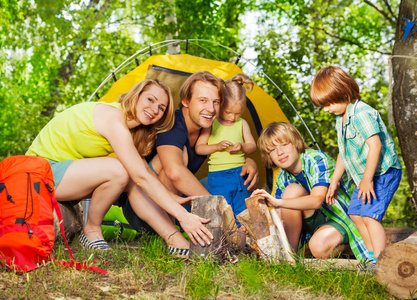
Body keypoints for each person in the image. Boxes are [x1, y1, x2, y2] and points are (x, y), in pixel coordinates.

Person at [26, 78, 213, 253]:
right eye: (150, 99)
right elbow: (141, 176)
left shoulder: (130, 131)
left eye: (161, 108)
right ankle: (91, 231)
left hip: (62, 175)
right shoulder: (112, 118)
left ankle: (174, 240)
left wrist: (172, 198)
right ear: (136, 95)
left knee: (128, 173)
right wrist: (184, 216)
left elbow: (144, 171)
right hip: (36, 173)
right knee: (121, 170)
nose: (154, 109)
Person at [120, 71, 259, 238]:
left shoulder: (209, 127)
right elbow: (175, 172)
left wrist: (249, 162)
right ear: (186, 101)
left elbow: (235, 147)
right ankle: (170, 231)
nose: (210, 108)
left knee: (235, 178)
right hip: (144, 208)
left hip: (179, 202)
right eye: (203, 101)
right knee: (180, 157)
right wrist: (220, 209)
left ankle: (245, 231)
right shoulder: (173, 123)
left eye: (216, 102)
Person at [309, 65, 402, 268]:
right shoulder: (340, 119)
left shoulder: (362, 114)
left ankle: (381, 261)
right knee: (355, 213)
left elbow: (375, 146)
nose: (326, 109)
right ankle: (370, 256)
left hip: (383, 173)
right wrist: (334, 180)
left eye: (328, 103)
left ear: (342, 92)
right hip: (365, 176)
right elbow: (344, 152)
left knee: (369, 215)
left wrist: (367, 180)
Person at [251, 122, 369, 260]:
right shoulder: (283, 176)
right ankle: (290, 256)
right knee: (291, 192)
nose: (280, 152)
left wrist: (278, 201)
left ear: (295, 142)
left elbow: (317, 200)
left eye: (284, 144)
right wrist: (255, 224)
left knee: (319, 247)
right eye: (272, 149)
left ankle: (350, 245)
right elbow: (280, 213)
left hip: (339, 218)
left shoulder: (317, 160)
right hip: (313, 226)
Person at [195, 73, 256, 227]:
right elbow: (199, 148)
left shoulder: (241, 124)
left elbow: (252, 146)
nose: (232, 117)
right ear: (220, 104)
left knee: (242, 207)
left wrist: (242, 146)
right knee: (222, 208)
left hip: (239, 173)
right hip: (217, 175)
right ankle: (226, 238)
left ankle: (245, 237)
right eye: (228, 112)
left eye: (237, 113)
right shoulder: (212, 123)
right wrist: (216, 146)